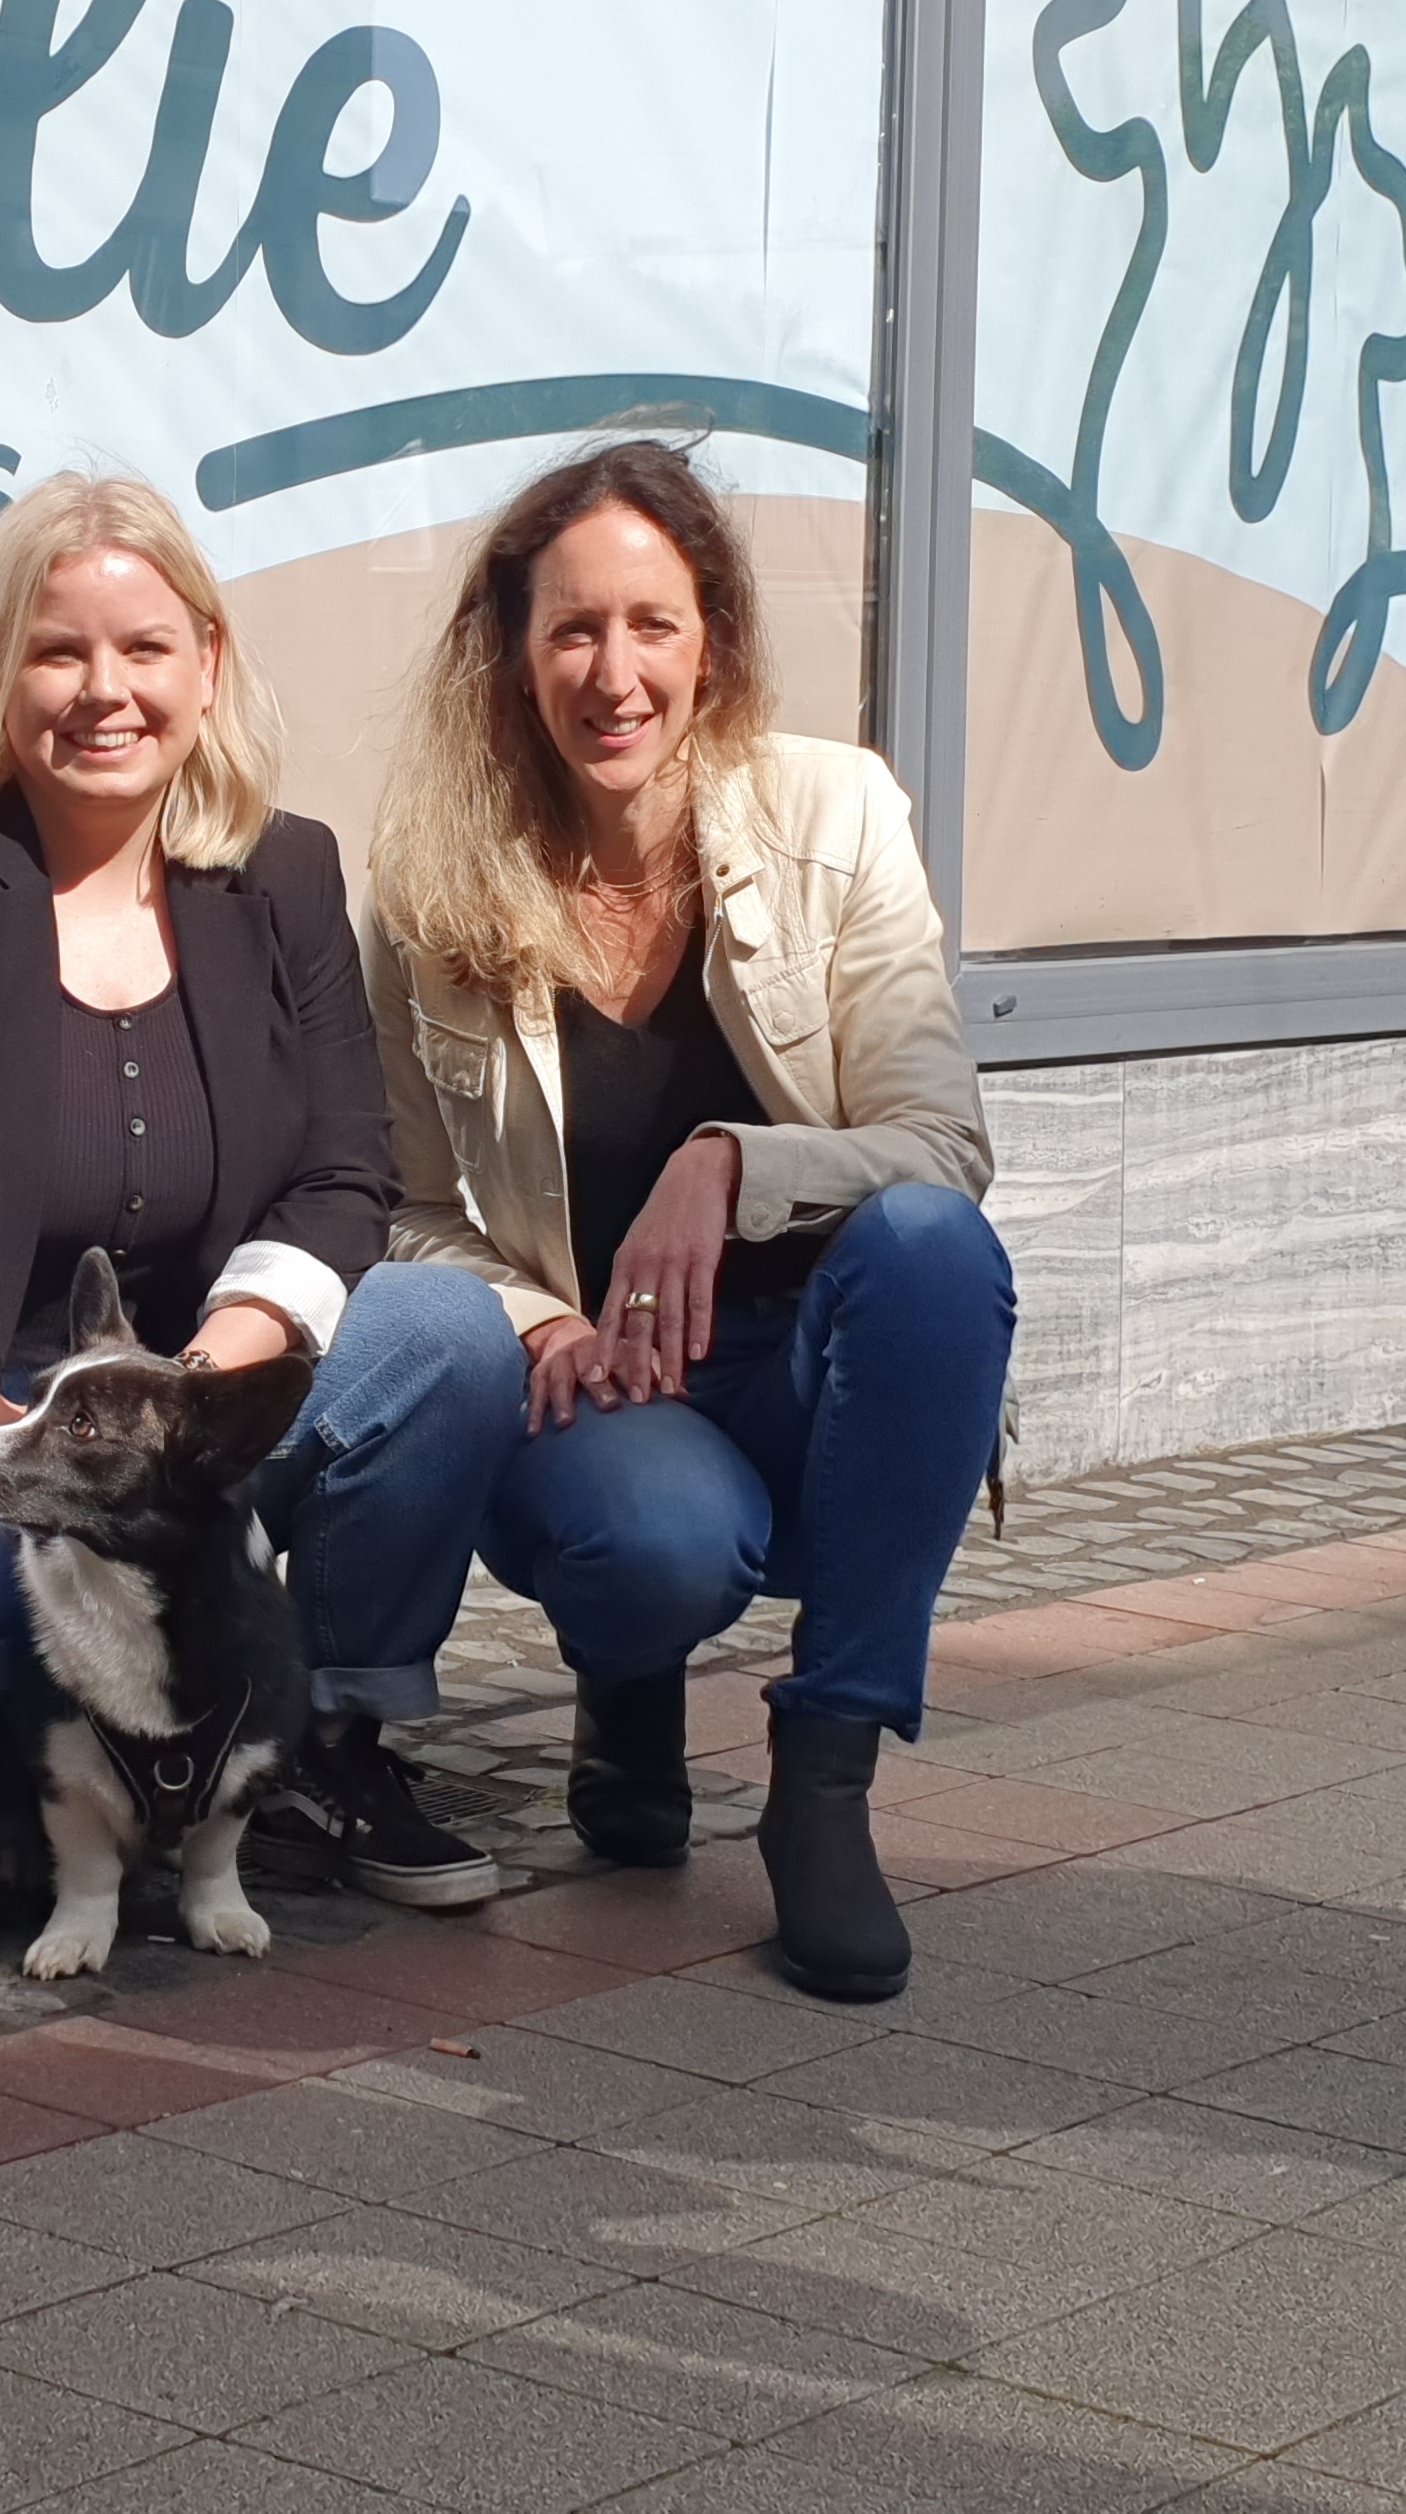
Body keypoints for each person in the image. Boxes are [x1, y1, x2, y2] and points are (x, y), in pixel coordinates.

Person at [0, 471, 523, 1908]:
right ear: (0, 675)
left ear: (207, 664)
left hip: (179, 1406)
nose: (105, 690)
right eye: (58, 650)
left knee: (448, 1338)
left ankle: (321, 1744)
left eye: (146, 648)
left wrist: (201, 1393)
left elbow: (348, 1170)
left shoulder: (283, 878)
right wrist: (15, 1439)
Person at [367, 437, 1013, 2000]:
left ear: (709, 635)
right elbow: (398, 1212)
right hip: (608, 1387)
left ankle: (828, 1773)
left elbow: (943, 1144)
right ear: (513, 658)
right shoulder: (429, 892)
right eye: (572, 629)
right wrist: (544, 1324)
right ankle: (628, 1668)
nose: (615, 672)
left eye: (651, 623)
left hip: (809, 1366)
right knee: (656, 1547)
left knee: (938, 1254)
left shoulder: (837, 814)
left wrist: (734, 1163)